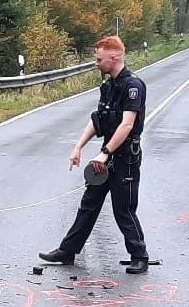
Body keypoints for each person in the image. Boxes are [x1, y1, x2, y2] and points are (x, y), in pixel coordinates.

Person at [40, 35, 150, 274]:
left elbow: (126, 125)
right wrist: (78, 146)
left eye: (100, 59)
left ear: (114, 57)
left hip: (125, 159)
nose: (96, 63)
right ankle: (67, 251)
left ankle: (139, 256)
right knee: (89, 204)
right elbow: (98, 120)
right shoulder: (107, 86)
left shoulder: (133, 87)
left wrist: (105, 153)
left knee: (124, 208)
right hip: (107, 158)